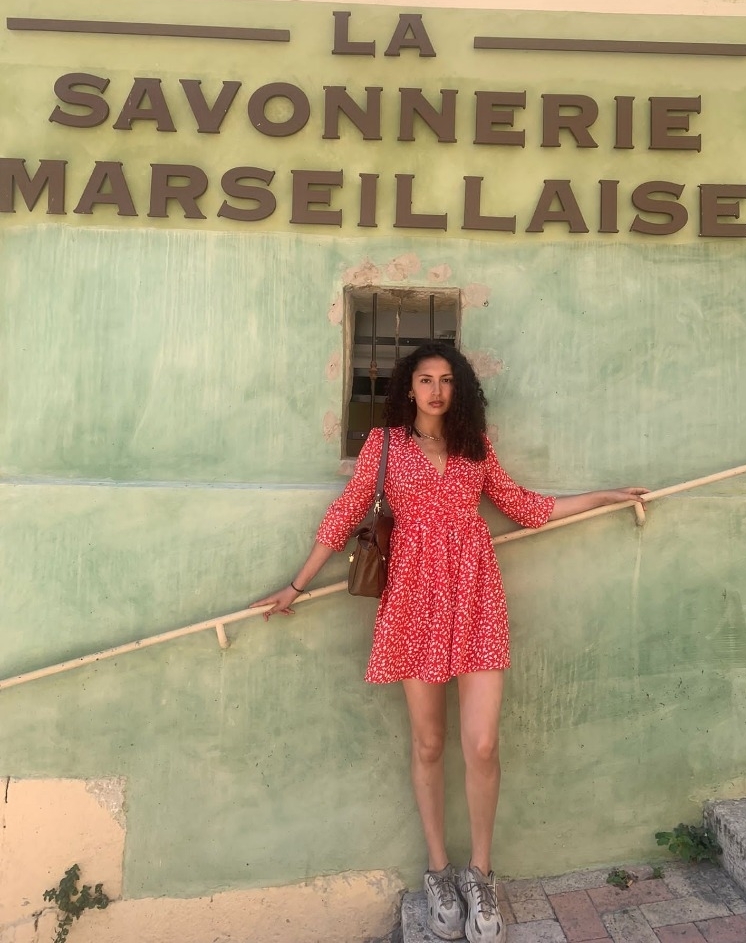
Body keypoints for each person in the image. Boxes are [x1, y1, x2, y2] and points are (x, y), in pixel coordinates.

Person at [251, 341, 647, 943]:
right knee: (430, 743)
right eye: (425, 380)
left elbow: (524, 506)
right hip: (413, 603)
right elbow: (345, 515)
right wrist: (294, 585)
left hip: (476, 598)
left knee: (482, 745)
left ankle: (480, 873)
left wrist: (603, 496)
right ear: (408, 389)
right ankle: (439, 871)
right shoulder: (384, 446)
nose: (436, 390)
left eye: (446, 379)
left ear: (458, 387)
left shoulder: (473, 446)